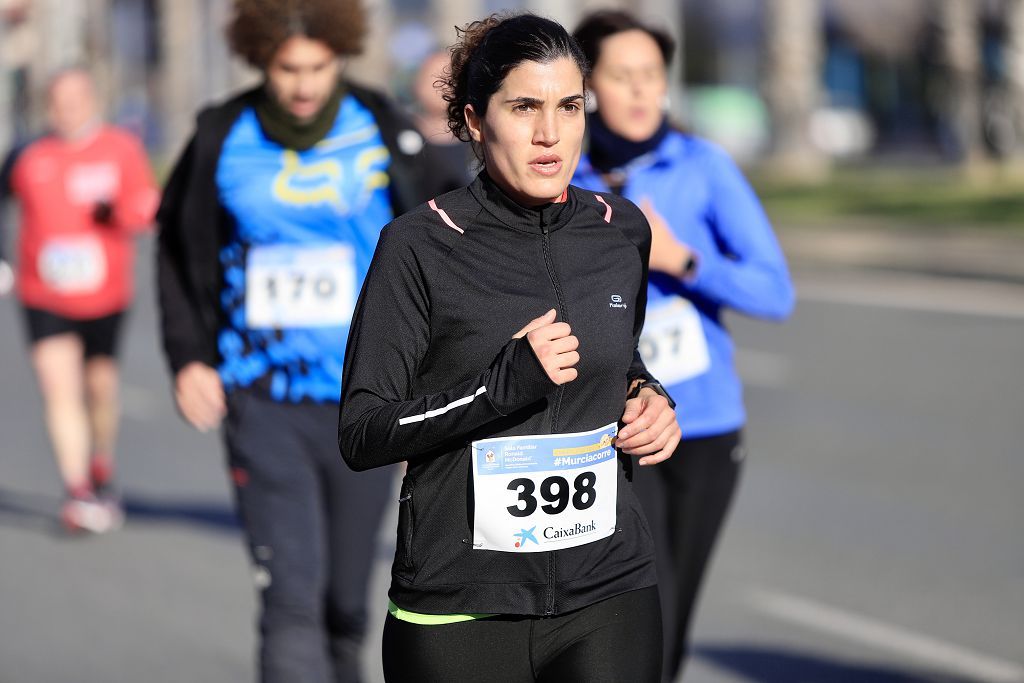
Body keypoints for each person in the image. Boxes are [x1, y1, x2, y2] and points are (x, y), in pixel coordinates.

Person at [338, 13, 681, 682]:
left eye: (569, 106)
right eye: (524, 106)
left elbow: (622, 358)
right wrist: (499, 386)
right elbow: (362, 430)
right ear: (473, 119)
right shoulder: (419, 245)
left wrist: (647, 398)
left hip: (607, 590)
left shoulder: (620, 231)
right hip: (460, 610)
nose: (550, 133)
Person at [155, 1, 463, 681]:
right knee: (291, 598)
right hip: (261, 394)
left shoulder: (380, 126)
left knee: (345, 603)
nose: (301, 84)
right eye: (286, 68)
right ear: (261, 60)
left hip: (369, 396)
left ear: (340, 57)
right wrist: (189, 358)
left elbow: (445, 239)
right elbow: (177, 249)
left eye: (317, 67)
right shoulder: (221, 135)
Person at [571, 11, 796, 680]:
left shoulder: (702, 167)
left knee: (668, 623)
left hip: (702, 425)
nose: (642, 91)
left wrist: (684, 260)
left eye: (653, 76)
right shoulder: (564, 174)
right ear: (587, 86)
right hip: (606, 430)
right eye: (622, 75)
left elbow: (774, 292)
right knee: (632, 605)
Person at [0, 67, 158, 533]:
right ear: (48, 105)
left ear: (93, 99)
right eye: (59, 99)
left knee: (99, 388)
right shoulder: (27, 154)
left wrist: (118, 212)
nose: (68, 108)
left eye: (77, 97)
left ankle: (100, 465)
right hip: (43, 292)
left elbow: (148, 208)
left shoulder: (120, 149)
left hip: (105, 294)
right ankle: (77, 489)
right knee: (58, 387)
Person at [410, 49, 474, 186]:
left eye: (449, 77)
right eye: (432, 77)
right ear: (417, 85)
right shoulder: (399, 134)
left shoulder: (479, 143)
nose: (441, 85)